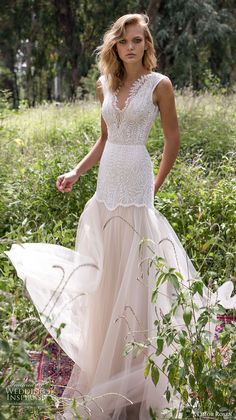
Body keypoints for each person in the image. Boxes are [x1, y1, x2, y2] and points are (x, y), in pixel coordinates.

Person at [5, 13, 235, 420]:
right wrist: (77, 171)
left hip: (136, 184)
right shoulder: (105, 85)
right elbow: (104, 138)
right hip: (106, 187)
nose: (131, 47)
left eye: (138, 41)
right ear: (115, 45)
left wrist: (155, 187)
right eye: (125, 41)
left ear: (147, 46)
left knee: (139, 271)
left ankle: (142, 367)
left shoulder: (159, 85)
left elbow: (172, 139)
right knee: (110, 273)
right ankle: (109, 362)